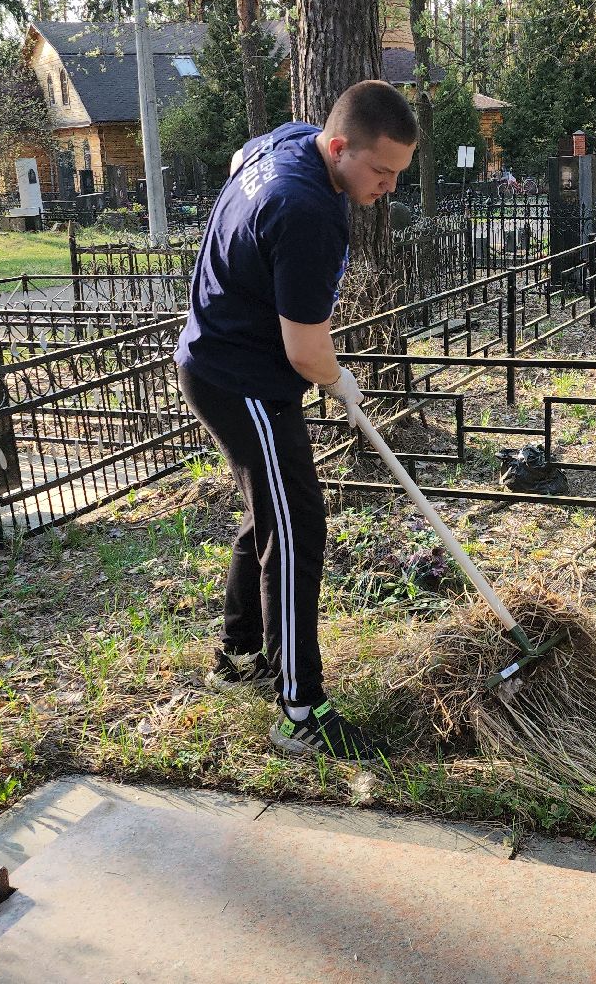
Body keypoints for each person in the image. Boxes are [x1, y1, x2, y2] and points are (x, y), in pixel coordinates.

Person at [174, 80, 417, 761]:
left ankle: (241, 653)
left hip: (215, 361)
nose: (388, 188)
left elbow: (237, 160)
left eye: (397, 173)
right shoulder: (310, 210)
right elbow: (305, 349)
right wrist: (339, 379)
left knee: (269, 515)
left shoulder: (287, 142)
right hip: (242, 377)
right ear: (338, 147)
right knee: (298, 527)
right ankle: (300, 710)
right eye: (381, 172)